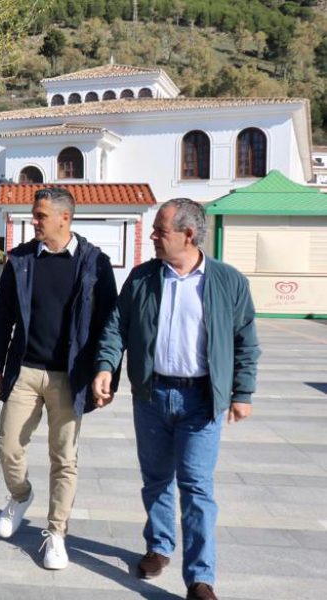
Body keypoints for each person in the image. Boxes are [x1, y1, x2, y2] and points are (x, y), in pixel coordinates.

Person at [92, 199, 260, 600]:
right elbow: (117, 327)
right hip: (152, 394)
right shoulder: (143, 278)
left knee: (197, 487)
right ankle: (159, 546)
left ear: (188, 234)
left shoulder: (227, 281)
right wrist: (105, 367)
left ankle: (200, 578)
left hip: (202, 399)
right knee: (156, 480)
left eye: (160, 230)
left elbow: (246, 341)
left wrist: (242, 391)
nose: (152, 236)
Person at [0, 187, 117, 569]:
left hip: (70, 377)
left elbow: (111, 325)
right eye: (34, 215)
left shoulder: (95, 264)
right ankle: (21, 494)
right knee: (7, 445)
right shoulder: (21, 260)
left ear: (65, 218)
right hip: (25, 370)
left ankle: (56, 533)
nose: (34, 222)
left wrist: (105, 374)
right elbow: (2, 315)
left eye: (40, 215)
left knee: (64, 458)